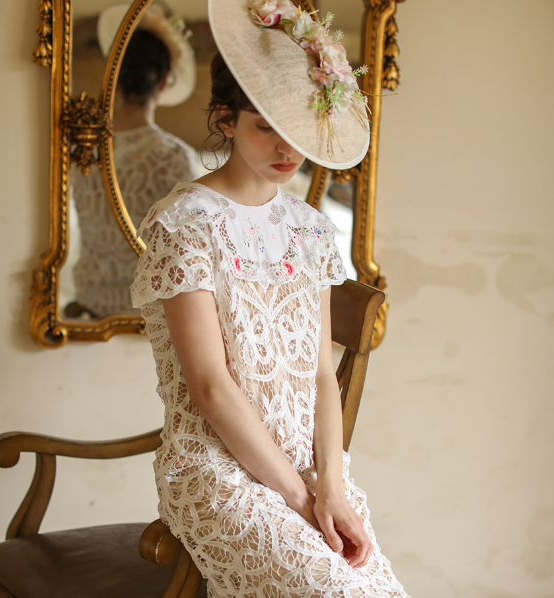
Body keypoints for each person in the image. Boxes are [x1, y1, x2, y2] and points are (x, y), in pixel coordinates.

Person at [131, 0, 411, 595]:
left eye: (298, 130)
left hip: (310, 471)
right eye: (266, 127)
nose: (287, 151)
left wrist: (330, 485)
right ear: (226, 119)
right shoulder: (185, 223)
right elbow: (210, 387)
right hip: (216, 473)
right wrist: (299, 497)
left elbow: (320, 376)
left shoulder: (309, 231)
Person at [68, 5, 200, 317]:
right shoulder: (174, 156)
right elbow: (187, 254)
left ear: (115, 74)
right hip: (145, 316)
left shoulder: (79, 146)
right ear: (164, 81)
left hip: (87, 306)